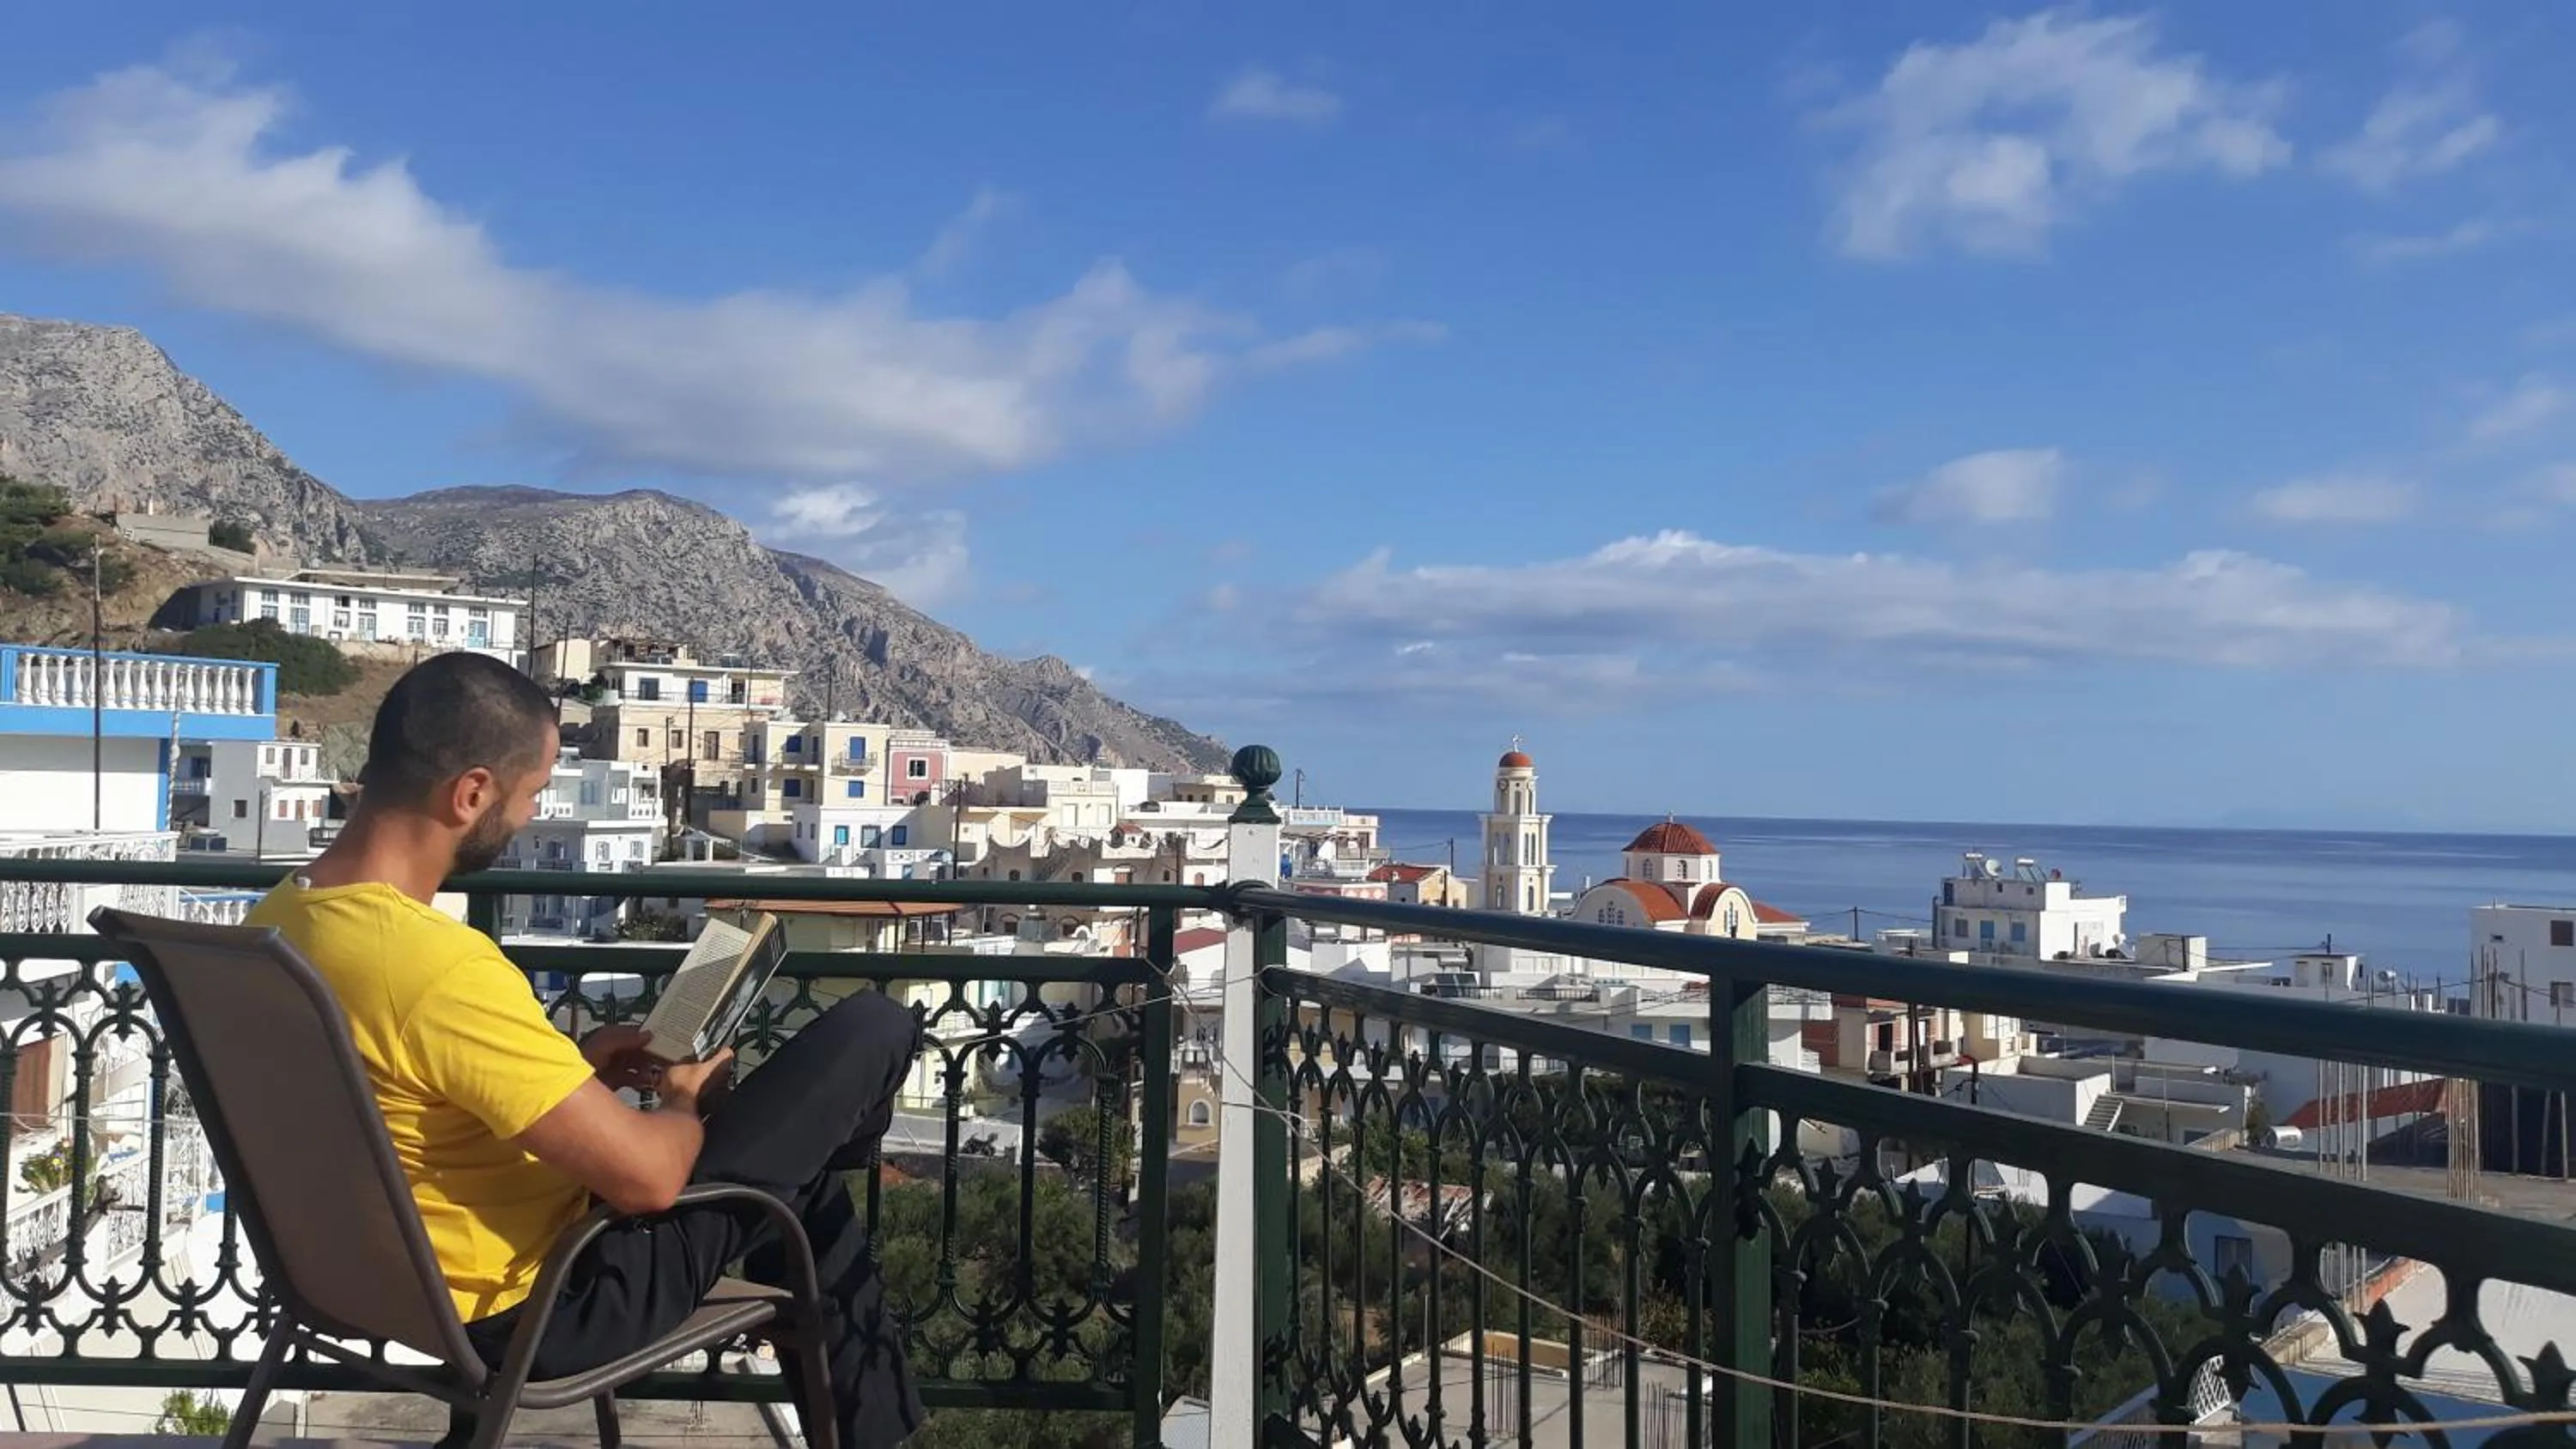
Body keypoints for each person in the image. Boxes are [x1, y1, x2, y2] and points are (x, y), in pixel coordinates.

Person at [245, 652, 926, 1446]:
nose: (531, 816)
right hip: (553, 1304)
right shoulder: (434, 966)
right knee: (873, 1027)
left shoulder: (282, 920)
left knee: (795, 1191)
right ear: (471, 793)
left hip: (360, 1281)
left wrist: (575, 1062)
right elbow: (648, 1178)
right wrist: (681, 1101)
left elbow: (409, 1088)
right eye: (532, 794)